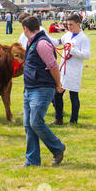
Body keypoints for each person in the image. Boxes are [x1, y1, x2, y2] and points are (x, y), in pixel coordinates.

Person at [19, 16, 66, 167]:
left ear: (25, 28)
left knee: (35, 122)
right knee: (28, 124)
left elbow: (53, 66)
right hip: (30, 89)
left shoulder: (42, 43)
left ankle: (58, 148)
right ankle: (32, 160)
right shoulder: (32, 42)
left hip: (42, 89)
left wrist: (58, 85)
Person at [51, 14, 91, 125]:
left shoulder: (84, 38)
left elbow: (87, 55)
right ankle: (58, 119)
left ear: (78, 24)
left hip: (74, 71)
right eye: (68, 24)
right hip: (63, 70)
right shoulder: (68, 35)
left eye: (71, 24)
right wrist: (44, 36)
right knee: (57, 94)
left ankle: (73, 120)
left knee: (73, 95)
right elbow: (58, 42)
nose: (69, 27)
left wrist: (73, 50)